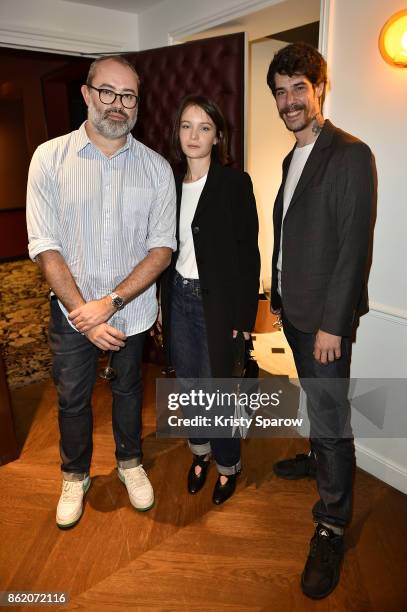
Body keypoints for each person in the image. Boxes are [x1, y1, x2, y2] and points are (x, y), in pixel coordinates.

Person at [26, 55, 176, 529]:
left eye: (128, 95)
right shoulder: (49, 159)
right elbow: (45, 245)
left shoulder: (156, 168)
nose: (117, 104)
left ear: (138, 104)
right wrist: (82, 312)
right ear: (87, 95)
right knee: (72, 397)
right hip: (72, 315)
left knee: (131, 390)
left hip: (130, 313)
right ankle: (75, 474)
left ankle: (131, 462)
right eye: (107, 92)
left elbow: (162, 249)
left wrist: (108, 304)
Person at [266, 43, 375, 598]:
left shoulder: (351, 154)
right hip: (294, 309)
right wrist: (276, 293)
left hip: (324, 322)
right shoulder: (293, 158)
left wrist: (334, 325)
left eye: (298, 89)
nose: (289, 102)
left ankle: (331, 523)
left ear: (320, 89)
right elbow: (291, 233)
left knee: (333, 421)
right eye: (280, 92)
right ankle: (317, 460)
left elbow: (353, 250)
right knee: (316, 403)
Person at [161, 95, 260, 505]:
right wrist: (161, 307)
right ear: (178, 132)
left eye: (204, 127)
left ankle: (227, 465)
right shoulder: (166, 183)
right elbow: (161, 249)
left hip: (217, 306)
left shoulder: (235, 184)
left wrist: (243, 316)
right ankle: (199, 453)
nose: (194, 135)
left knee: (217, 389)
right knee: (189, 385)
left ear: (218, 135)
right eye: (186, 126)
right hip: (178, 299)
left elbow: (248, 253)